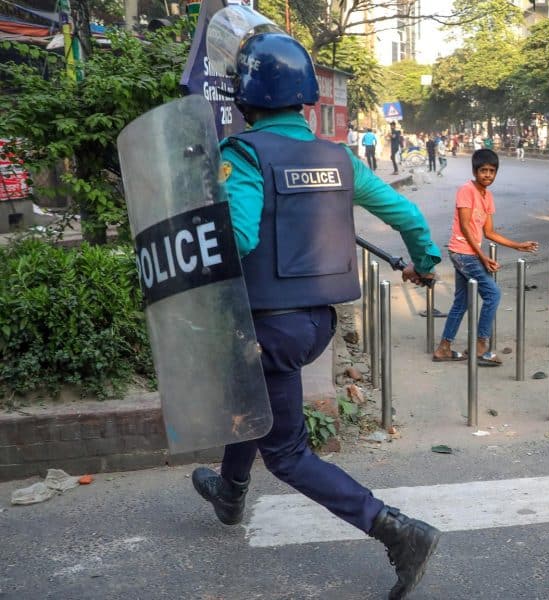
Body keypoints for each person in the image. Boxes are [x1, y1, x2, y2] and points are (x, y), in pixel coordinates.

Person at [194, 30, 441, 600]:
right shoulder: (341, 159)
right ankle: (230, 493)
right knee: (249, 395)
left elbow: (241, 233)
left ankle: (397, 532)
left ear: (246, 99)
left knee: (286, 453)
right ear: (305, 98)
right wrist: (423, 261)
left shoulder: (245, 154)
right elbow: (405, 213)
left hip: (268, 326)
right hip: (316, 326)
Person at [432, 149, 538, 366]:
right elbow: (464, 226)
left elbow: (489, 232)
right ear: (475, 171)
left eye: (492, 171)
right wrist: (482, 257)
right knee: (493, 294)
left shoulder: (487, 196)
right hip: (462, 252)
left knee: (461, 301)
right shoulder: (466, 190)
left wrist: (517, 245)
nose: (488, 175)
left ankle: (444, 348)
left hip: (469, 253)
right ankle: (480, 346)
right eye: (483, 170)